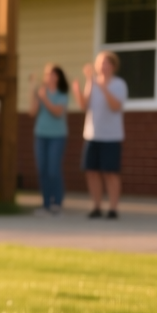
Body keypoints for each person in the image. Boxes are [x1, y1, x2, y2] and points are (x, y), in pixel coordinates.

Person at [74, 51, 127, 219]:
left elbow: (115, 106)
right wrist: (78, 91)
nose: (102, 66)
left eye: (105, 63)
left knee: (110, 172)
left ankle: (113, 208)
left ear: (112, 66)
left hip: (111, 136)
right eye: (99, 63)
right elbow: (84, 106)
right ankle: (96, 207)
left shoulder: (119, 84)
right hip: (92, 135)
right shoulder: (92, 83)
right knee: (91, 172)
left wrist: (103, 87)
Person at [30, 63, 70, 216]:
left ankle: (57, 203)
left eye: (52, 74)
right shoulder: (41, 92)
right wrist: (33, 93)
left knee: (53, 170)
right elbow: (32, 112)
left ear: (58, 77)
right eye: (47, 74)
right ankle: (45, 204)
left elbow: (57, 112)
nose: (49, 77)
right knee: (42, 170)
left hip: (57, 136)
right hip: (41, 135)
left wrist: (44, 98)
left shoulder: (62, 94)